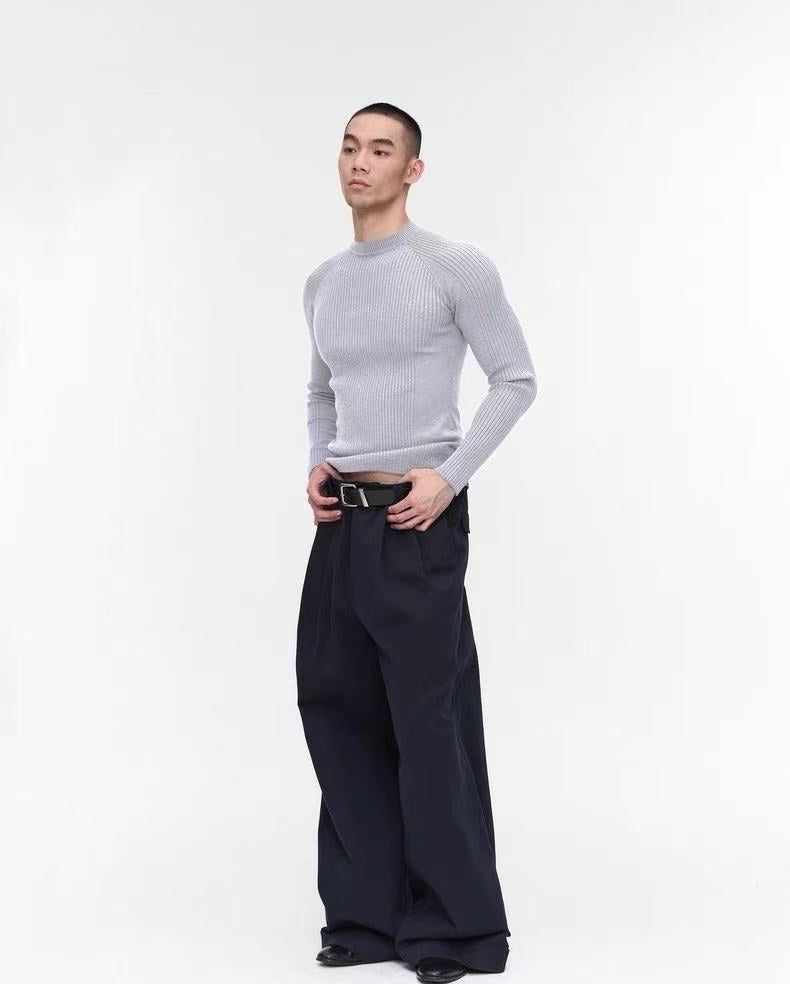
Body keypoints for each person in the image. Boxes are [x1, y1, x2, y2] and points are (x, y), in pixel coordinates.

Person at [295, 101, 537, 984]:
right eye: (350, 147)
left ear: (413, 169)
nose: (360, 162)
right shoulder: (324, 282)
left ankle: (457, 930)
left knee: (428, 724)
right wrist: (317, 463)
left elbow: (515, 378)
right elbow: (322, 393)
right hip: (342, 525)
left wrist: (449, 477)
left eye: (381, 149)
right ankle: (366, 917)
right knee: (337, 708)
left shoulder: (452, 266)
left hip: (417, 520)